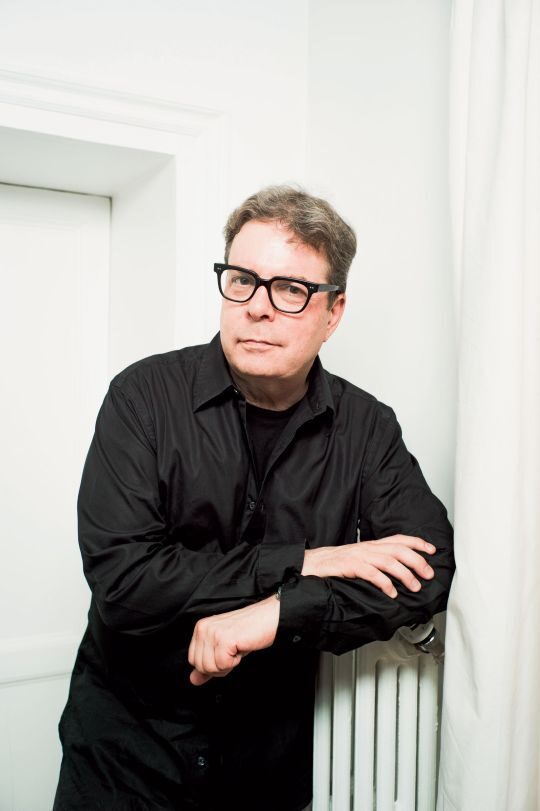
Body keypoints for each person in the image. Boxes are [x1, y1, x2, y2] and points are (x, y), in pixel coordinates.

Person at [53, 186, 454, 811]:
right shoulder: (142, 397)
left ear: (334, 311)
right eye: (242, 280)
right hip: (124, 757)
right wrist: (306, 561)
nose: (258, 308)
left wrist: (275, 615)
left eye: (290, 289)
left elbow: (426, 567)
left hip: (267, 764)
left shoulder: (367, 427)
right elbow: (124, 581)